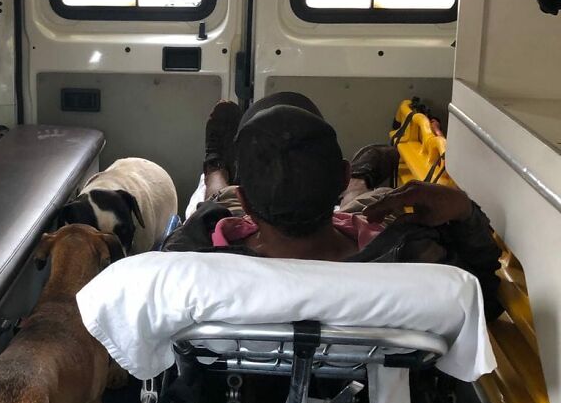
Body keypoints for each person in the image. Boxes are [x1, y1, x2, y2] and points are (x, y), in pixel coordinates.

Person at [166, 97, 502, 319]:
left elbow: (165, 268)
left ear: (246, 202)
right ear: (338, 178)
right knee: (371, 204)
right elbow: (484, 294)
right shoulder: (409, 258)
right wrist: (463, 210)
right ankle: (360, 179)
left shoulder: (198, 258)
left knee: (214, 200)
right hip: (349, 240)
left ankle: (215, 174)